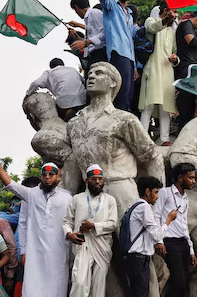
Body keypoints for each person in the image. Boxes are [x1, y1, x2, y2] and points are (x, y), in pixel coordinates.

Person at [66, 61, 165, 217]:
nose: (91, 76)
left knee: (130, 239)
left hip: (120, 191)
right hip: (88, 195)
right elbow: (72, 162)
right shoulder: (73, 124)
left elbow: (152, 156)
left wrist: (157, 201)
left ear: (113, 83)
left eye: (99, 73)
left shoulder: (124, 119)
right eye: (90, 73)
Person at [0, 153, 72, 297]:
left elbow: (71, 222)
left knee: (57, 289)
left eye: (51, 174)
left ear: (58, 177)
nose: (47, 177)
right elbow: (10, 184)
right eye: (44, 174)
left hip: (58, 252)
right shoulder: (31, 194)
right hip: (34, 253)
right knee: (33, 289)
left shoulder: (67, 198)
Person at [63, 164, 118, 297]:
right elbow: (66, 221)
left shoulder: (110, 200)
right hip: (82, 245)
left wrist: (93, 226)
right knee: (80, 283)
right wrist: (69, 234)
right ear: (86, 181)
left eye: (100, 179)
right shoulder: (77, 199)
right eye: (94, 179)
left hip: (102, 246)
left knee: (99, 287)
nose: (98, 182)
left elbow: (113, 224)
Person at [125, 176, 178, 297]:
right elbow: (156, 235)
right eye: (155, 192)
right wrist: (168, 220)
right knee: (141, 293)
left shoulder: (136, 206)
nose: (158, 196)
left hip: (136, 258)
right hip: (138, 258)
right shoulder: (144, 207)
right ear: (147, 192)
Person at [92, 0, 137, 111]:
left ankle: (125, 117)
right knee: (121, 91)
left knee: (129, 93)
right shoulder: (112, 7)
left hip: (130, 57)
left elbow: (131, 39)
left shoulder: (129, 14)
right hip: (118, 52)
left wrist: (135, 66)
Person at [153, 163, 197, 297]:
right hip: (169, 242)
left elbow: (184, 224)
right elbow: (156, 215)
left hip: (183, 242)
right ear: (180, 177)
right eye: (190, 178)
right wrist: (159, 241)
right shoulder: (165, 193)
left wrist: (191, 249)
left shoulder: (185, 198)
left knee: (184, 284)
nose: (193, 181)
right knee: (179, 281)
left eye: (194, 178)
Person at [139, 2, 179, 146]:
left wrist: (175, 58)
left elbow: (175, 51)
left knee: (166, 107)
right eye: (173, 12)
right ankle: (143, 137)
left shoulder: (172, 31)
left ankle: (165, 139)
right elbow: (152, 28)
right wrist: (166, 20)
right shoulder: (151, 21)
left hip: (167, 70)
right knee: (148, 104)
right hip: (153, 68)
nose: (175, 16)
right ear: (166, 11)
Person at [68, 0, 107, 71]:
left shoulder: (94, 13)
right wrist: (76, 36)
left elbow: (104, 33)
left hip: (101, 54)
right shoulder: (87, 19)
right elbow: (91, 40)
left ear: (76, 7)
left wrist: (85, 42)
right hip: (92, 55)